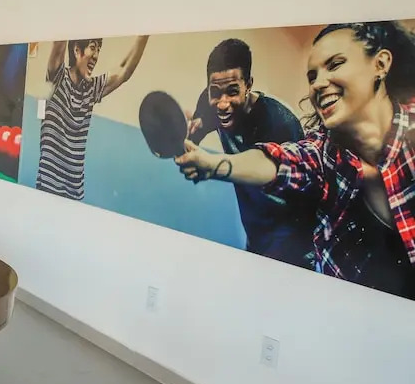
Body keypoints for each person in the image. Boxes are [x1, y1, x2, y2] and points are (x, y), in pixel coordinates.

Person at [175, 21, 415, 299]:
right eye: (312, 76)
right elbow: (282, 161)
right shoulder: (323, 151)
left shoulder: (281, 122)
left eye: (336, 64)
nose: (319, 83)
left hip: (292, 250)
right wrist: (196, 147)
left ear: (381, 64)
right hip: (263, 243)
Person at [185, 38, 314, 268]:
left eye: (232, 92)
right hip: (255, 238)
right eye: (215, 92)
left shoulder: (280, 122)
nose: (222, 104)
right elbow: (194, 134)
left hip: (295, 246)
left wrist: (211, 166)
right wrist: (184, 136)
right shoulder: (209, 103)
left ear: (249, 85)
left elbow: (303, 194)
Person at [36, 35, 149, 201]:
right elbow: (59, 44)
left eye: (99, 50)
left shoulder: (91, 89)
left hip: (74, 195)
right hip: (48, 189)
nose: (96, 56)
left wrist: (144, 34)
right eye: (93, 48)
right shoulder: (57, 78)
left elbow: (124, 70)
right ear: (77, 50)